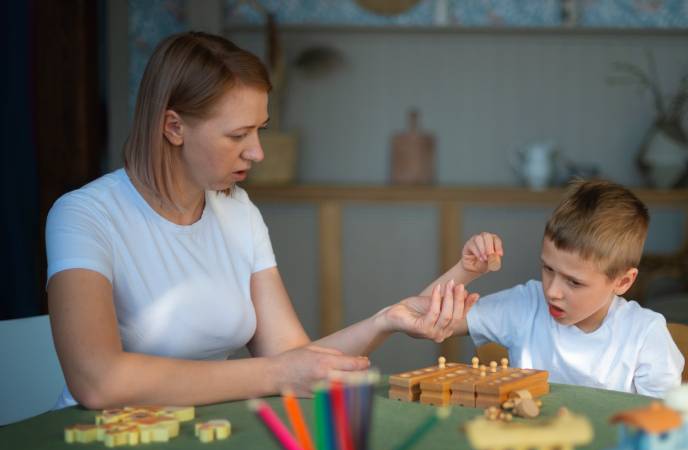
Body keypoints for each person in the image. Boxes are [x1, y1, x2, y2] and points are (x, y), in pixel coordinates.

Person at [46, 31, 474, 410]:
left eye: (260, 130)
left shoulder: (239, 211)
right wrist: (273, 374)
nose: (257, 152)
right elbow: (97, 381)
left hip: (198, 431)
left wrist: (386, 320)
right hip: (99, 439)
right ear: (174, 127)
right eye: (237, 135)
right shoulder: (84, 215)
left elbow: (293, 357)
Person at [423, 179, 683, 398]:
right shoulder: (527, 304)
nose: (552, 292)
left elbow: (665, 430)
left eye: (574, 282)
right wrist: (466, 271)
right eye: (548, 269)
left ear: (623, 282)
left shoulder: (645, 336)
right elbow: (422, 318)